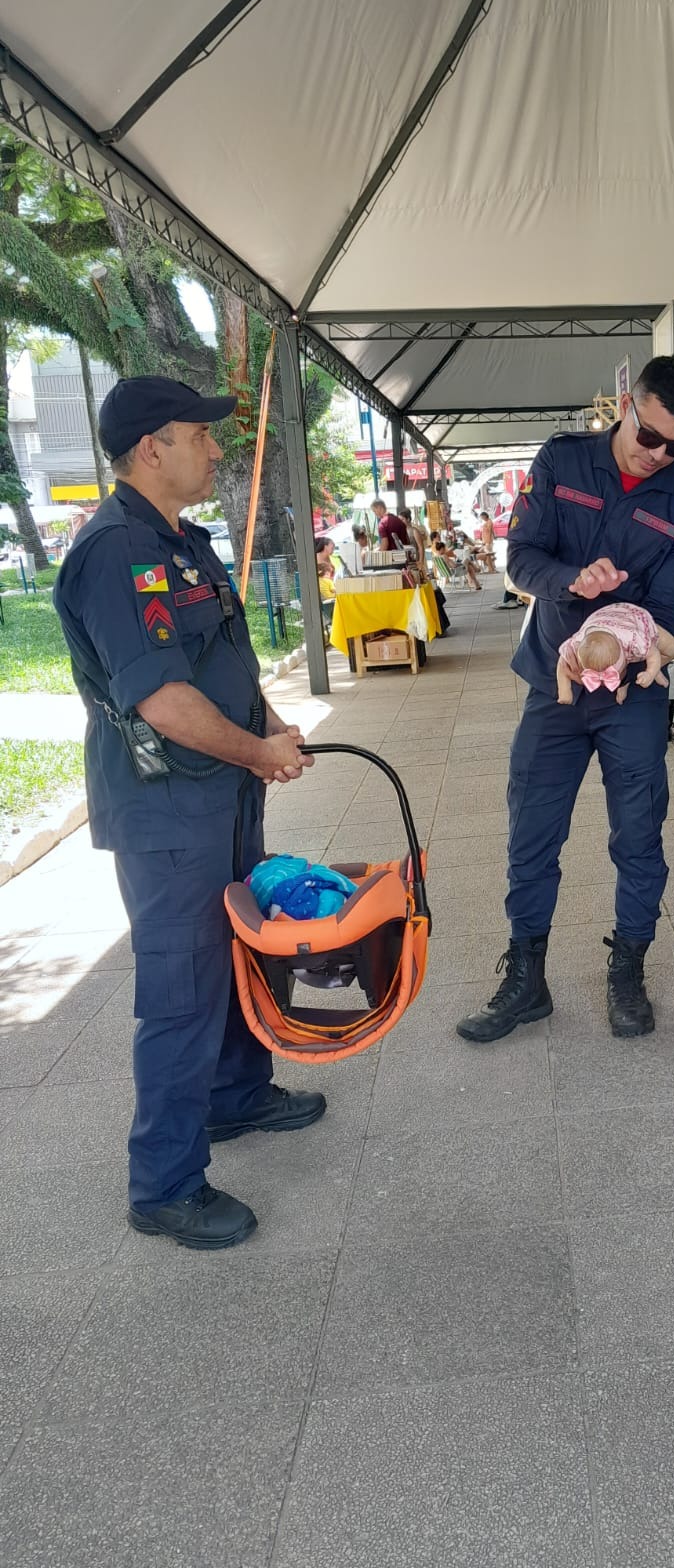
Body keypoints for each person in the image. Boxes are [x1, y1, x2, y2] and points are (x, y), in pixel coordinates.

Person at [52, 376, 325, 1251]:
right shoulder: (117, 551)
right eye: (198, 436)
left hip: (218, 791)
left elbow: (220, 661)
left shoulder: (179, 541)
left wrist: (270, 726)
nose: (215, 449)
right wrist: (256, 753)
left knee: (240, 944)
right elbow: (164, 703)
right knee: (182, 991)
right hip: (170, 807)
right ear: (149, 450)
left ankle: (235, 1096)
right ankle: (164, 1185)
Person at [456, 354, 674, 1044]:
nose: (660, 455)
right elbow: (520, 558)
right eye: (650, 436)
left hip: (631, 696)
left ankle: (628, 967)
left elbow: (669, 612)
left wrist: (630, 641)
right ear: (626, 405)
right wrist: (576, 582)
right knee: (531, 833)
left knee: (638, 837)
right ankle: (526, 976)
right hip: (554, 684)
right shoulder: (563, 462)